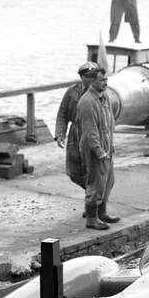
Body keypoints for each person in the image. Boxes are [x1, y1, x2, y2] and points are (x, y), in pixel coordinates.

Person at [75, 64, 118, 230]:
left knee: (108, 181)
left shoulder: (104, 97)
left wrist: (110, 144)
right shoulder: (87, 102)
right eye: (101, 80)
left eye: (106, 79)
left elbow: (110, 122)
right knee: (96, 183)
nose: (105, 83)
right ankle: (92, 218)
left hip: (106, 145)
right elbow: (89, 131)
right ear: (92, 81)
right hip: (94, 149)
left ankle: (103, 212)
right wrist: (99, 151)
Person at [55, 62, 96, 200]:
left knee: (91, 169)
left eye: (92, 76)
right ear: (81, 76)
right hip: (75, 133)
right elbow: (62, 113)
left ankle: (92, 200)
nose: (89, 79)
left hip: (92, 132)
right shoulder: (71, 92)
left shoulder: (100, 92)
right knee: (73, 171)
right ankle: (92, 192)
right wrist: (60, 134)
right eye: (87, 76)